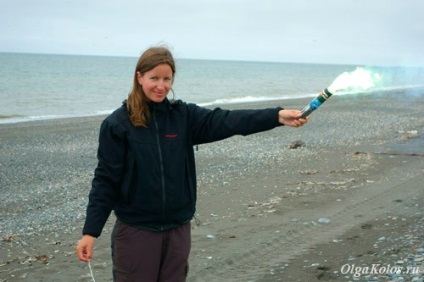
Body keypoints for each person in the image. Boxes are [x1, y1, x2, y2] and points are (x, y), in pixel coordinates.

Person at [76, 46, 308, 281]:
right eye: (153, 78)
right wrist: (90, 232)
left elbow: (229, 120)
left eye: (167, 79)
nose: (161, 85)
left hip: (178, 229)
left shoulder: (184, 117)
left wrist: (276, 117)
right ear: (139, 77)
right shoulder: (117, 124)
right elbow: (105, 180)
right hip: (136, 231)